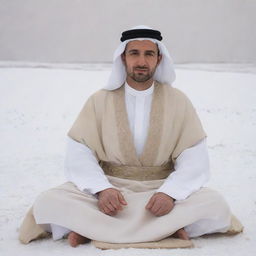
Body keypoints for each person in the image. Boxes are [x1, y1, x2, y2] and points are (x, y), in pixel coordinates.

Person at [19, 25, 242, 248]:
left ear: (159, 58)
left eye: (149, 54)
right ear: (123, 58)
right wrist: (102, 189)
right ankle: (168, 229)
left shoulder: (178, 101)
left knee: (215, 204)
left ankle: (90, 228)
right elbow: (80, 151)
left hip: (160, 188)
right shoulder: (99, 100)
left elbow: (194, 156)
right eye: (134, 53)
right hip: (110, 191)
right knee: (48, 202)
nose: (141, 61)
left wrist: (170, 194)